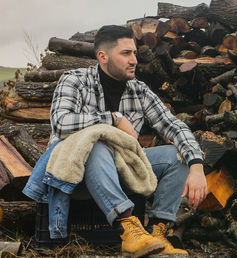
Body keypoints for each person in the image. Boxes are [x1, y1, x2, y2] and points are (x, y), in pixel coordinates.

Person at [49, 25, 207, 257]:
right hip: (75, 171)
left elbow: (173, 125)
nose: (134, 59)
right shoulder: (75, 80)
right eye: (126, 53)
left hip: (120, 168)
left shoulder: (139, 90)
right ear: (102, 56)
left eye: (134, 53)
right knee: (97, 142)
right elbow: (60, 122)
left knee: (178, 156)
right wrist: (113, 119)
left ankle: (156, 234)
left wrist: (197, 164)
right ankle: (127, 228)